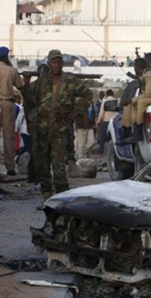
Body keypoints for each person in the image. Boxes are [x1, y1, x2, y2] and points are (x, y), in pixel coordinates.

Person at [20, 49, 93, 208]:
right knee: (42, 164)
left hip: (60, 129)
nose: (57, 65)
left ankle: (62, 199)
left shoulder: (70, 80)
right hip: (42, 129)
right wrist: (25, 84)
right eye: (54, 61)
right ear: (49, 64)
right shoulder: (41, 82)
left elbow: (87, 95)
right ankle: (47, 197)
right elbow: (30, 102)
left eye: (59, 61)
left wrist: (77, 111)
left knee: (59, 165)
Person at [0, 46, 25, 176]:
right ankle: (10, 166)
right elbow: (21, 86)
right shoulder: (11, 70)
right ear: (6, 57)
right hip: (7, 102)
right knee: (9, 135)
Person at [116, 58, 145, 145]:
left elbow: (147, 93)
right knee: (129, 105)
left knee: (131, 106)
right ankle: (128, 134)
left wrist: (132, 100)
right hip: (146, 100)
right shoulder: (142, 78)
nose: (135, 70)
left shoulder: (148, 76)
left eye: (135, 67)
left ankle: (131, 133)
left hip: (147, 100)